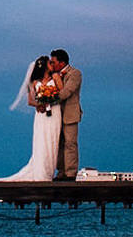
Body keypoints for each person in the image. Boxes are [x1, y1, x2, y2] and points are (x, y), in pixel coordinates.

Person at [0, 55, 62, 181]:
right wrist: (39, 104)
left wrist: (52, 99)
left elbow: (63, 92)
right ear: (45, 66)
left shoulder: (56, 77)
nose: (52, 65)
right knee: (41, 142)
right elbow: (30, 101)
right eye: (50, 63)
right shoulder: (35, 82)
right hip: (41, 115)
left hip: (55, 112)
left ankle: (49, 171)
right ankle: (41, 172)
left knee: (52, 141)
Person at [48, 49, 82, 180]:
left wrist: (49, 99)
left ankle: (70, 173)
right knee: (59, 144)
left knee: (70, 144)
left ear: (62, 63)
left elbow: (67, 91)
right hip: (56, 115)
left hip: (70, 114)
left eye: (53, 62)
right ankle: (61, 171)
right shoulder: (53, 75)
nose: (51, 64)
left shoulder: (75, 73)